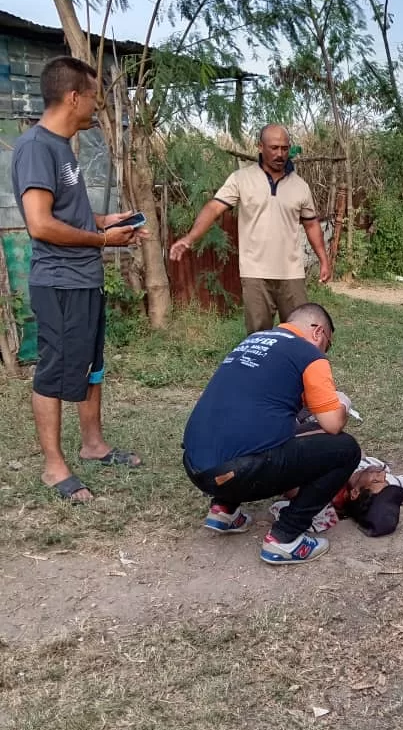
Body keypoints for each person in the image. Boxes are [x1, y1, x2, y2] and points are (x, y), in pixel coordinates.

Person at [11, 55, 144, 503]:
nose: (97, 107)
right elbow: (41, 225)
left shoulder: (63, 149)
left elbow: (72, 217)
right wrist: (104, 239)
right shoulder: (37, 147)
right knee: (53, 371)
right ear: (73, 97)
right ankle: (53, 467)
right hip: (60, 282)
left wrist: (109, 221)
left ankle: (93, 445)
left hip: (83, 278)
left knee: (92, 366)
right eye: (94, 98)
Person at [182, 302, 360, 564]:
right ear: (318, 332)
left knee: (254, 429)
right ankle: (285, 537)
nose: (325, 351)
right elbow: (333, 424)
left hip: (196, 466)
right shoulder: (310, 355)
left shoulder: (255, 340)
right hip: (237, 471)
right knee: (345, 449)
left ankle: (224, 509)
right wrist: (342, 404)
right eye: (327, 345)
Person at [169, 124, 331, 334]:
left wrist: (324, 260)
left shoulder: (300, 186)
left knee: (297, 334)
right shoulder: (241, 179)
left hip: (291, 274)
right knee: (258, 336)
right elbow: (214, 207)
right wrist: (189, 238)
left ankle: (290, 368)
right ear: (260, 147)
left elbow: (311, 224)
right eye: (274, 148)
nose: (280, 154)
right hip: (255, 273)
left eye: (284, 148)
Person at [271, 451, 403, 537]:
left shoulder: (328, 488)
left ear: (355, 492)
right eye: (382, 479)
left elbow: (288, 484)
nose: (382, 475)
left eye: (376, 481)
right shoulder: (389, 483)